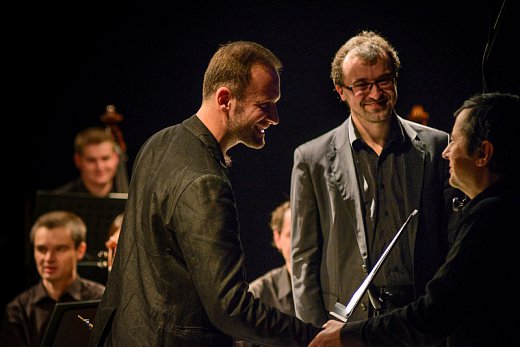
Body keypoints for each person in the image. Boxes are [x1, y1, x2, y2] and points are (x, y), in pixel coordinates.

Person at [88, 41, 321, 347]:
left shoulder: (157, 143)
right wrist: (313, 338)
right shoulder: (206, 181)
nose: (275, 117)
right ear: (225, 98)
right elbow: (230, 308)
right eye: (265, 105)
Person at [308, 91, 519, 347]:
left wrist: (348, 334)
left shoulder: (490, 219)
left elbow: (435, 313)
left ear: (483, 153)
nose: (445, 152)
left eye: (454, 141)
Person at [290, 30, 462, 327]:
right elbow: (304, 259)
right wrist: (314, 334)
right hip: (348, 329)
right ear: (340, 91)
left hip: (420, 323)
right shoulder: (311, 158)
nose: (375, 94)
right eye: (361, 85)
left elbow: (452, 241)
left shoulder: (437, 146)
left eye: (384, 80)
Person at [0, 210, 105, 347]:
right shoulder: (18, 310)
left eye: (60, 249)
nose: (48, 258)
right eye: (41, 249)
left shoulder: (101, 299)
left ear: (80, 251)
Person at [235, 200, 295, 347]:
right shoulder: (256, 295)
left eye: (305, 234)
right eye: (291, 235)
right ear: (277, 238)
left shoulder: (332, 288)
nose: (299, 244)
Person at [53, 126, 122, 197]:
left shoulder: (130, 196)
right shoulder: (59, 198)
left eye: (105, 158)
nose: (100, 167)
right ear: (78, 160)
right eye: (91, 160)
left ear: (116, 158)